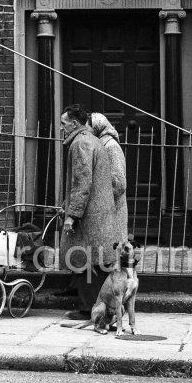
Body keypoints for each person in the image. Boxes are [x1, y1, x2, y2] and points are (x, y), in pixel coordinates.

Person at [59, 104, 124, 320]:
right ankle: (107, 308)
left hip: (89, 216)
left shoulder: (80, 144)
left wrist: (72, 214)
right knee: (97, 262)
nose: (62, 128)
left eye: (64, 124)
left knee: (83, 259)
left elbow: (82, 182)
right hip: (100, 213)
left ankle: (89, 309)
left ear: (75, 124)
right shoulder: (94, 140)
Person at [87, 112, 128, 242]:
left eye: (88, 127)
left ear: (97, 128)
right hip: (104, 210)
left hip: (113, 209)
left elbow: (119, 184)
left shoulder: (111, 147)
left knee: (113, 249)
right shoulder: (99, 145)